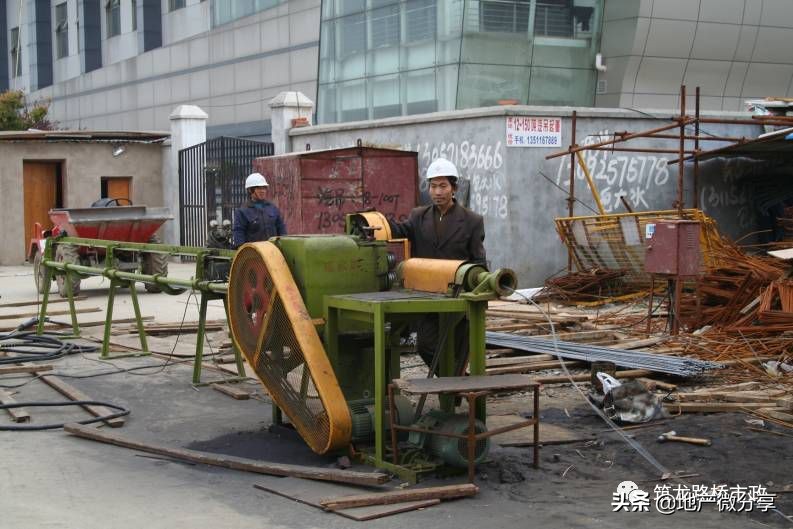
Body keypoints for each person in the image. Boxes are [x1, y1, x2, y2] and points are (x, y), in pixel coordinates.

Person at [388, 157, 486, 370]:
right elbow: (400, 230)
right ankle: (455, 383)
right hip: (427, 295)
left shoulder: (472, 221)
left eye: (443, 186)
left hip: (458, 297)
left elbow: (478, 260)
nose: (437, 192)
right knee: (425, 344)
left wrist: (476, 291)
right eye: (433, 186)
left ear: (454, 188)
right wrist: (379, 222)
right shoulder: (418, 216)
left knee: (460, 348)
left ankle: (453, 390)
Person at [232, 172, 287, 248]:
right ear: (250, 190)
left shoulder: (273, 208)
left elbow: (282, 229)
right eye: (259, 188)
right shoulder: (242, 212)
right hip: (254, 254)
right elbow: (239, 234)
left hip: (273, 252)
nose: (262, 191)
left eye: (264, 188)